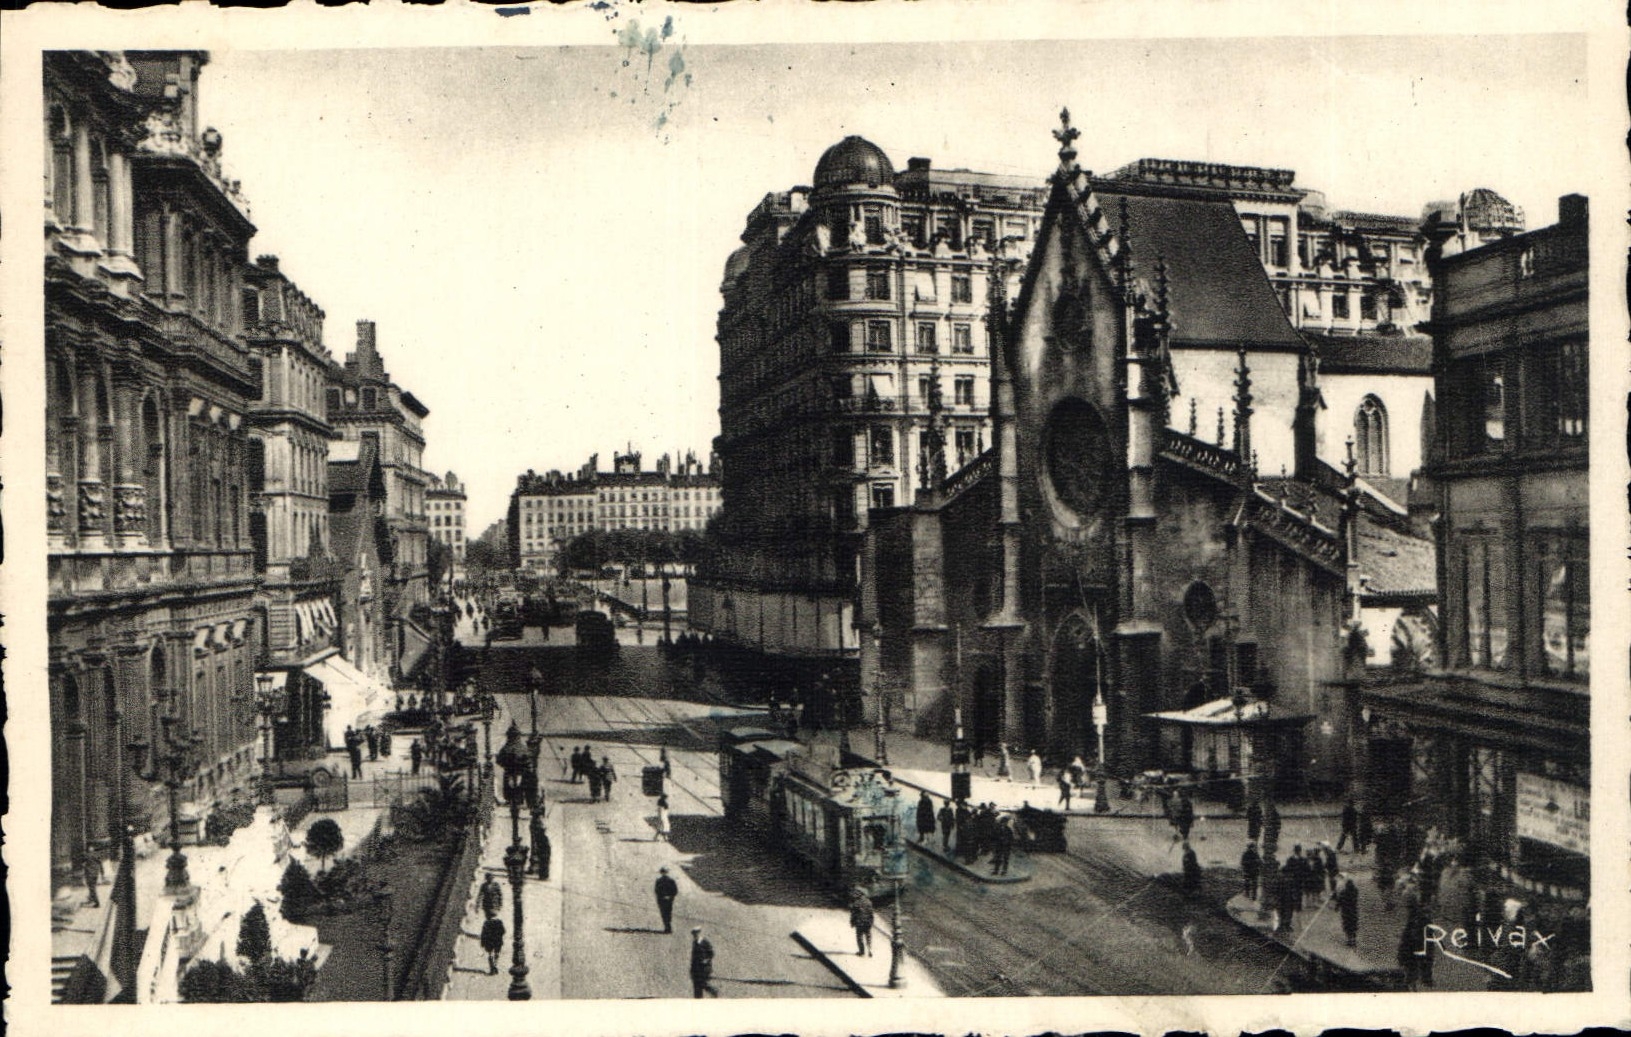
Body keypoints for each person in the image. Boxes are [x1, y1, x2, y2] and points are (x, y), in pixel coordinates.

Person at [689, 927, 718, 998]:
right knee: (697, 985)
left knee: (701, 983)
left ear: (699, 933)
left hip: (704, 968)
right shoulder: (695, 942)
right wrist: (692, 969)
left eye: (696, 934)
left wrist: (706, 960)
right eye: (694, 935)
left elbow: (711, 953)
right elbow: (693, 956)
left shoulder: (705, 942)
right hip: (696, 968)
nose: (695, 936)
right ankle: (698, 1000)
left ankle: (713, 991)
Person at [848, 886, 874, 956]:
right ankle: (869, 950)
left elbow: (853, 913)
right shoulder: (869, 902)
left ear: (860, 894)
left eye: (857, 893)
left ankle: (862, 952)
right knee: (868, 936)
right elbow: (871, 913)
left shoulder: (856, 902)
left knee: (859, 937)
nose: (855, 894)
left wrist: (852, 922)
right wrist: (871, 922)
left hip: (859, 922)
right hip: (867, 922)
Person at [1336, 873, 1360, 947]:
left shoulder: (1343, 892)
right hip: (1353, 911)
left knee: (1347, 925)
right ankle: (1354, 940)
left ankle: (1349, 940)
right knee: (1353, 925)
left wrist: (1336, 907)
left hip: (1345, 912)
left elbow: (1339, 901)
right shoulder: (1355, 891)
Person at [654, 866, 679, 933]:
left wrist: (669, 896)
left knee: (667, 912)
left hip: (666, 900)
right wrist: (666, 896)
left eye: (665, 872)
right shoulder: (660, 881)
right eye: (663, 872)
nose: (664, 874)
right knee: (665, 913)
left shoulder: (670, 881)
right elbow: (657, 890)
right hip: (664, 899)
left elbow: (675, 891)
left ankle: (668, 926)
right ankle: (667, 926)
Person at [530, 814, 552, 880]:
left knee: (543, 864)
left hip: (543, 852)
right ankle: (544, 876)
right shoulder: (543, 837)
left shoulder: (541, 836)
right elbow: (545, 846)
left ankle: (543, 875)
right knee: (544, 864)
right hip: (544, 852)